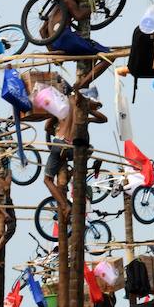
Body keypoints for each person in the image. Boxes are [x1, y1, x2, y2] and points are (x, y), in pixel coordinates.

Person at [42, 93, 107, 221]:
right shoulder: (83, 109)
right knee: (89, 150)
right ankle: (71, 173)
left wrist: (55, 130)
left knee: (47, 179)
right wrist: (89, 114)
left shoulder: (62, 106)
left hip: (60, 143)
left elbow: (46, 127)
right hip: (75, 150)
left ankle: (65, 206)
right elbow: (104, 119)